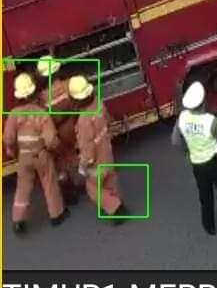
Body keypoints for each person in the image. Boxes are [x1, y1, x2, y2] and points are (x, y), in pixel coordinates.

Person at [171, 81, 217, 236]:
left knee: (205, 194)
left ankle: (209, 225)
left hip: (197, 163)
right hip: (216, 161)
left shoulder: (182, 118)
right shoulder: (211, 121)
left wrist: (188, 151)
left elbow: (175, 141)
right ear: (203, 102)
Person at [3, 73, 67, 233]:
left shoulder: (13, 114)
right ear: (33, 92)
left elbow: (8, 138)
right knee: (49, 183)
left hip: (24, 157)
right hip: (41, 155)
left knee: (23, 188)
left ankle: (18, 220)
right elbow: (51, 139)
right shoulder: (41, 113)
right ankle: (57, 215)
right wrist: (58, 150)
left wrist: (11, 151)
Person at [68, 75, 125, 221]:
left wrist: (83, 166)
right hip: (107, 153)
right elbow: (108, 121)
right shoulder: (99, 103)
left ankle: (116, 208)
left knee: (93, 189)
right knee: (110, 181)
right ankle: (116, 200)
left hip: (96, 163)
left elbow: (87, 149)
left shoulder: (83, 120)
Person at [36, 56, 80, 205]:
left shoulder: (42, 97)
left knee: (61, 162)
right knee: (79, 154)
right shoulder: (67, 85)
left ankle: (68, 191)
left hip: (58, 131)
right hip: (72, 126)